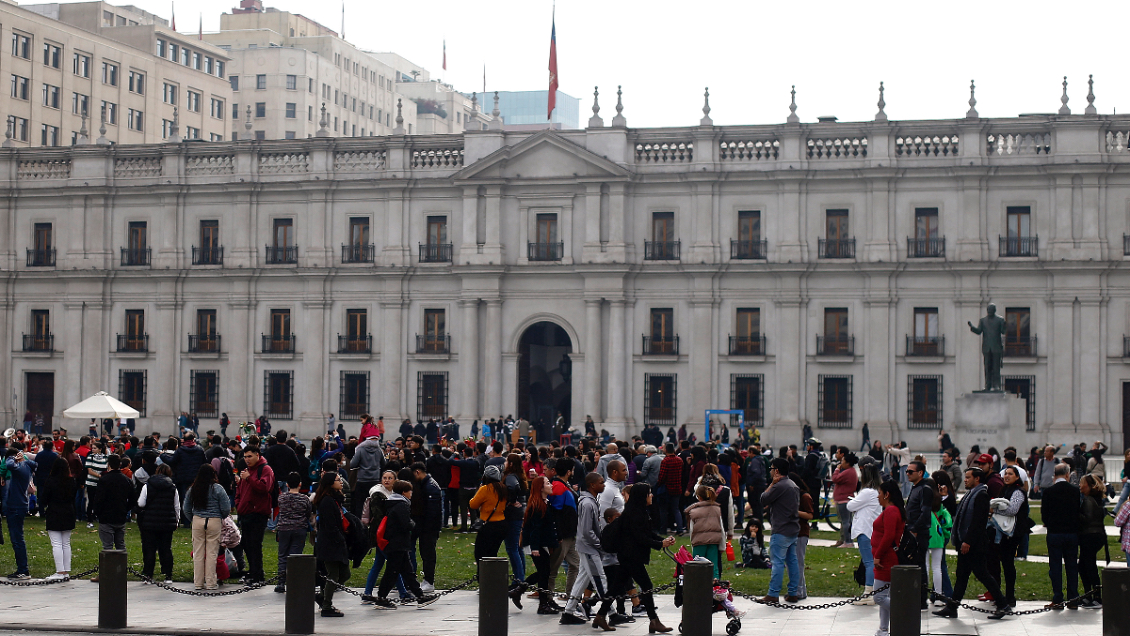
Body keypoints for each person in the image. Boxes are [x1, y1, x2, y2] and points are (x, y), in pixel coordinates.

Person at [933, 468, 1007, 620]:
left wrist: (967, 541)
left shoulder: (981, 495)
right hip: (966, 542)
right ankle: (952, 607)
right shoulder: (971, 494)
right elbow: (957, 512)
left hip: (974, 544)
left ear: (977, 479)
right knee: (962, 575)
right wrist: (946, 496)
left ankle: (1002, 604)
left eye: (968, 477)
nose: (965, 480)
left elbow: (978, 522)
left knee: (982, 574)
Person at [616, 483, 676, 633]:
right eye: (649, 493)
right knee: (646, 585)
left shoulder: (640, 511)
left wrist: (663, 540)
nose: (651, 495)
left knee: (615, 587)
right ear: (642, 496)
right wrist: (659, 544)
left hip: (630, 555)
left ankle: (601, 614)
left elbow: (648, 533)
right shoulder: (634, 513)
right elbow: (640, 538)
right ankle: (654, 620)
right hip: (630, 556)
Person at [371, 480, 439, 610]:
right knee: (392, 572)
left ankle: (419, 596)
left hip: (396, 543)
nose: (411, 493)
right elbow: (405, 524)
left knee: (407, 572)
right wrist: (413, 524)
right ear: (404, 492)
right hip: (398, 543)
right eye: (410, 491)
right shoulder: (401, 505)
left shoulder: (392, 503)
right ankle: (382, 597)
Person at [560, 473, 608, 625]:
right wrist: (601, 545)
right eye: (601, 482)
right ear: (592, 485)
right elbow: (587, 531)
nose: (604, 485)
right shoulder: (587, 504)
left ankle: (568, 612)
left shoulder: (590, 501)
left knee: (582, 579)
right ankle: (611, 613)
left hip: (588, 547)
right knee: (600, 580)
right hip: (589, 548)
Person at [760, 458, 801, 604]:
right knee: (792, 561)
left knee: (777, 562)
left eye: (771, 469)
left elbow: (763, 499)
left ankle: (773, 593)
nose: (770, 471)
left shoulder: (779, 486)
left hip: (781, 529)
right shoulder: (793, 485)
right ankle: (793, 592)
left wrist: (771, 484)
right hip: (793, 528)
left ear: (776, 470)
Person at [1041, 463, 1081, 609]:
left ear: (1054, 475)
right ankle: (1073, 598)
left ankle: (1057, 598)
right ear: (1067, 474)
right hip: (1071, 533)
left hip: (1054, 533)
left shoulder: (1048, 492)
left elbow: (1044, 515)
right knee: (1071, 566)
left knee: (1056, 567)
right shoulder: (1075, 491)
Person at [185, 463, 230, 590]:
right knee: (212, 553)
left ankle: (198, 583)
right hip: (214, 520)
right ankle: (211, 582)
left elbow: (186, 508)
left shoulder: (193, 488)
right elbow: (226, 508)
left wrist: (193, 519)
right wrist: (220, 516)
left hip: (198, 519)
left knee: (198, 553)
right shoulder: (218, 488)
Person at [235, 445, 275, 585]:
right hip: (245, 512)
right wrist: (238, 503)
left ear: (257, 455)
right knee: (246, 543)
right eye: (245, 457)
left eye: (250, 456)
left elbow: (265, 488)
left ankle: (258, 574)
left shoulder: (265, 469)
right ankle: (252, 571)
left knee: (255, 544)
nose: (247, 459)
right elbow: (240, 491)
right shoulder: (247, 471)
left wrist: (249, 479)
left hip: (258, 513)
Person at [871, 480, 906, 636]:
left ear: (887, 494)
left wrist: (878, 555)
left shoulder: (891, 511)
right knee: (885, 596)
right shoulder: (891, 510)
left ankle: (905, 615)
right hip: (885, 557)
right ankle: (883, 629)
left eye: (879, 493)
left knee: (878, 596)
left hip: (886, 558)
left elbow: (889, 535)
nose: (878, 496)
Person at [991, 466, 1028, 607]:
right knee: (1004, 562)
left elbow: (1012, 510)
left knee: (1008, 563)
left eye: (1010, 474)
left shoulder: (1018, 492)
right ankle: (1005, 595)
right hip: (1004, 531)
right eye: (1005, 473)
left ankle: (1010, 596)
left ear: (1017, 477)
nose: (1006, 476)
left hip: (1012, 533)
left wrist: (994, 509)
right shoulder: (1005, 489)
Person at [136, 464, 179, 583]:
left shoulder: (147, 485)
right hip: (166, 522)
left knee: (149, 549)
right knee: (166, 548)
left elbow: (141, 503)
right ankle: (168, 575)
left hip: (150, 521)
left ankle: (148, 574)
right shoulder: (172, 487)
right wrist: (176, 520)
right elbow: (176, 506)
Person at [522, 476, 559, 615]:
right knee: (544, 572)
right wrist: (535, 548)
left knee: (544, 572)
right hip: (534, 544)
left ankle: (519, 590)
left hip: (539, 543)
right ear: (541, 488)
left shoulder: (545, 502)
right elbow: (534, 529)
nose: (551, 485)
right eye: (548, 483)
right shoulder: (537, 505)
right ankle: (542, 604)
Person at [849, 458, 882, 605]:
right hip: (872, 530)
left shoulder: (867, 492)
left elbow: (850, 506)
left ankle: (869, 593)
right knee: (871, 562)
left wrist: (856, 503)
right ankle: (872, 591)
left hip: (865, 530)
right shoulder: (877, 491)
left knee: (869, 562)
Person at [274, 471, 312, 593]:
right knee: (295, 556)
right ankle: (293, 581)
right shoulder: (304, 498)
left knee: (283, 555)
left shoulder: (281, 498)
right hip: (299, 528)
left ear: (287, 484)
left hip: (284, 528)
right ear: (300, 484)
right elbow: (308, 512)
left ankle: (281, 582)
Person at [40, 457, 76, 581]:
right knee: (66, 543)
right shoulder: (71, 480)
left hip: (54, 512)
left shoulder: (51, 480)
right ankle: (66, 571)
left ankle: (59, 571)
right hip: (68, 511)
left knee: (56, 543)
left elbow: (44, 499)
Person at [410, 461, 443, 593]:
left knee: (428, 554)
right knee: (426, 553)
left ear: (418, 472)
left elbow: (432, 512)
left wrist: (426, 528)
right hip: (426, 526)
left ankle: (429, 581)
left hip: (429, 528)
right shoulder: (427, 484)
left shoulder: (430, 487)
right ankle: (427, 580)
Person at [3, 446, 36, 578]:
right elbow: (35, 463)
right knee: (17, 537)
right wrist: (22, 458)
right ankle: (22, 568)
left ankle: (23, 569)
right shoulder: (26, 465)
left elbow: (9, 465)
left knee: (17, 539)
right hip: (20, 504)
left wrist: (14, 458)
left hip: (15, 506)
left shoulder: (18, 467)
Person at [904, 460, 933, 608]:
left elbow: (925, 512)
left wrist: (914, 529)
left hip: (919, 534)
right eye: (907, 471)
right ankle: (914, 596)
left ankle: (922, 600)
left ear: (920, 473)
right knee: (911, 565)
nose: (907, 474)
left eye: (910, 471)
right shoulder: (915, 488)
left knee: (919, 566)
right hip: (911, 532)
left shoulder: (925, 489)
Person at [93, 454, 135, 553]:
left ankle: (109, 567)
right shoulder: (126, 480)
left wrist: (98, 512)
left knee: (107, 545)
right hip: (120, 514)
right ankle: (121, 566)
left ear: (109, 464)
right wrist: (126, 509)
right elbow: (133, 498)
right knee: (120, 544)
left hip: (106, 516)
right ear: (120, 464)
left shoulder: (104, 480)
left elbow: (98, 499)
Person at [502, 454, 530, 597]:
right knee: (517, 548)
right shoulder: (521, 476)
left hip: (512, 515)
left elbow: (512, 488)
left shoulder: (511, 476)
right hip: (519, 513)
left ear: (511, 463)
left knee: (512, 548)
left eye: (507, 461)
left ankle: (518, 580)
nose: (505, 463)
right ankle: (521, 578)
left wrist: (510, 501)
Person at [470, 465, 510, 562]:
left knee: (480, 553)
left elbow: (473, 504)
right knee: (493, 552)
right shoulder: (504, 489)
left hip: (488, 525)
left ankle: (483, 575)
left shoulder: (485, 489)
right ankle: (492, 575)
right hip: (501, 523)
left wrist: (478, 491)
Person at [1078, 474, 1106, 609]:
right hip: (1096, 536)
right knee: (1085, 565)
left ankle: (1095, 596)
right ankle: (1089, 595)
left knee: (1088, 566)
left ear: (1088, 486)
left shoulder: (1088, 500)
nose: (1080, 485)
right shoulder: (1096, 499)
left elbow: (1087, 518)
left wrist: (1075, 513)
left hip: (1090, 536)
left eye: (1082, 483)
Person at [685, 484, 724, 578]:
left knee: (697, 566)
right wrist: (722, 545)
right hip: (713, 541)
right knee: (713, 565)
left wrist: (692, 543)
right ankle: (715, 585)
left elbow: (692, 530)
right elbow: (721, 528)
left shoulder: (693, 511)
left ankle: (698, 585)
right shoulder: (717, 509)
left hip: (699, 542)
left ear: (699, 497)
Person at [927, 480, 953, 605]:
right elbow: (947, 520)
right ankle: (938, 595)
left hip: (925, 534)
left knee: (925, 566)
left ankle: (923, 595)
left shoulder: (923, 501)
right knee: (937, 567)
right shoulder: (939, 503)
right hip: (938, 535)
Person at [830, 452, 858, 548]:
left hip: (843, 499)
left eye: (843, 461)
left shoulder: (847, 472)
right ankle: (848, 540)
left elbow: (834, 478)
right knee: (847, 521)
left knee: (845, 522)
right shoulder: (852, 471)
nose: (841, 463)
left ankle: (848, 541)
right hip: (847, 499)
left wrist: (837, 469)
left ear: (848, 463)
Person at [656, 443, 686, 533]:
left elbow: (662, 476)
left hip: (666, 488)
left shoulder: (665, 461)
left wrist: (658, 484)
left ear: (666, 450)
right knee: (676, 509)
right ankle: (680, 528)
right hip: (677, 487)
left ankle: (663, 529)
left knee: (663, 510)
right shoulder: (679, 460)